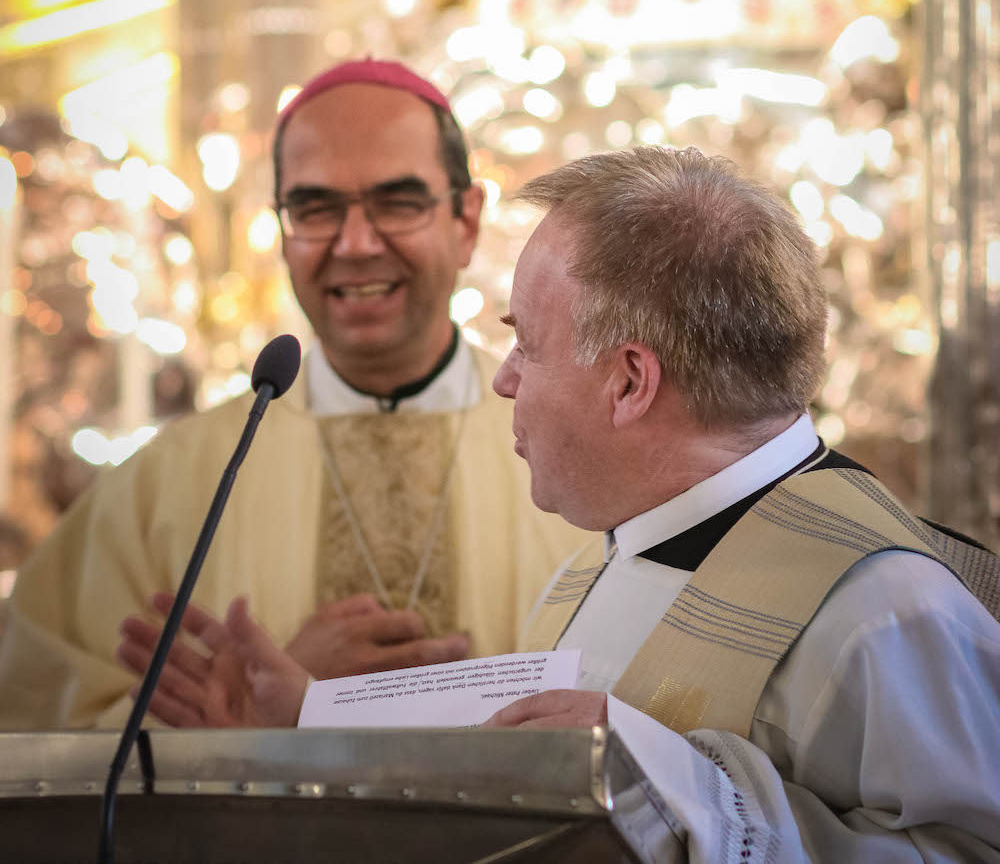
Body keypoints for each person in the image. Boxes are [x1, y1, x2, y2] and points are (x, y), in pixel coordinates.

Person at [131, 146, 1000, 863]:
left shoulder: (882, 608)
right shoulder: (608, 557)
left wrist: (675, 782)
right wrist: (312, 718)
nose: (504, 381)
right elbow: (532, 748)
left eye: (526, 345)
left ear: (629, 381)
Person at [0, 59, 579, 729]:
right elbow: (34, 731)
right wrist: (238, 723)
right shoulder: (171, 484)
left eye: (397, 202)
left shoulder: (578, 448)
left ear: (466, 221)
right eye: (314, 208)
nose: (355, 244)